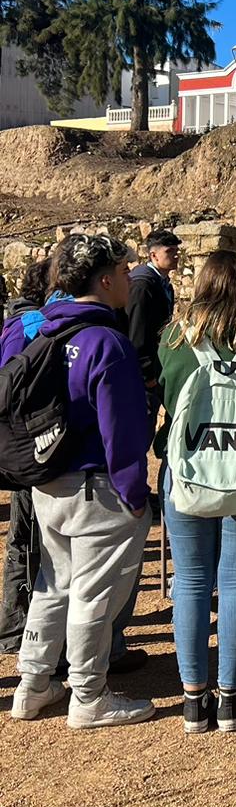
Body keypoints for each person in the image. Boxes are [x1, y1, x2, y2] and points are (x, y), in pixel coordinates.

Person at [10, 234, 153, 729]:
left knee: (53, 584)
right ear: (105, 278)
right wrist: (136, 494)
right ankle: (88, 695)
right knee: (92, 594)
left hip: (47, 481)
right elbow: (124, 429)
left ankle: (32, 685)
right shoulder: (105, 341)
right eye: (125, 268)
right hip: (98, 488)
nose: (131, 277)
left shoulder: (35, 331)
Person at [158, 250, 236, 734]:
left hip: (188, 471)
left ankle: (193, 699)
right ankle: (230, 698)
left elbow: (167, 401)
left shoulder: (175, 337)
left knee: (189, 581)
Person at [0, 257, 53, 654]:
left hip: (14, 444)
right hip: (28, 446)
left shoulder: (13, 321)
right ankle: (19, 628)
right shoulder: (34, 325)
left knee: (23, 536)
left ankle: (15, 624)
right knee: (27, 536)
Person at [126, 228, 181, 423]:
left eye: (176, 250)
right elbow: (136, 330)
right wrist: (147, 374)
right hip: (142, 375)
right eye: (169, 251)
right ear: (153, 255)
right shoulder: (142, 285)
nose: (176, 255)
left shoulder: (163, 283)